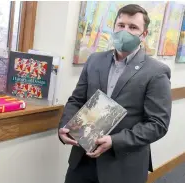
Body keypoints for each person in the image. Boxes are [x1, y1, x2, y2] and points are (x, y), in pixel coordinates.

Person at [58, 4, 172, 183]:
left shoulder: (156, 71)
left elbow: (157, 124)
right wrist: (65, 126)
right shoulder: (94, 60)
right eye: (121, 25)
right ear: (114, 27)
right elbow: (77, 100)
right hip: (82, 161)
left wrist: (114, 140)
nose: (125, 31)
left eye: (133, 27)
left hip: (122, 165)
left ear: (144, 34)